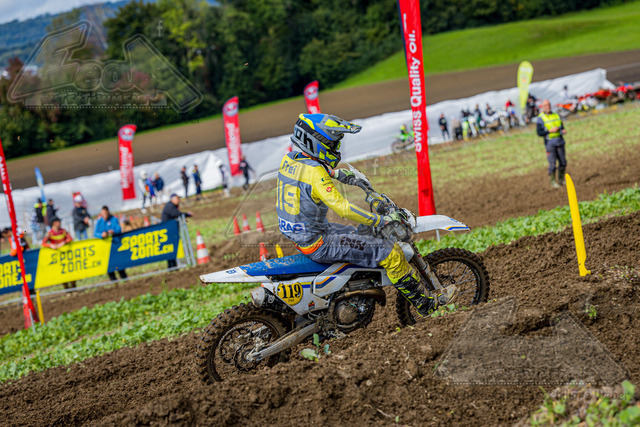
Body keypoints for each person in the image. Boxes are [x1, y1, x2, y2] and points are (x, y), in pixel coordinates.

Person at [275, 113, 457, 317]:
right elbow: (344, 209)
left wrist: (337, 174)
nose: (336, 148)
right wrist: (381, 220)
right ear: (316, 142)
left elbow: (308, 176)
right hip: (319, 241)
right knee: (392, 253)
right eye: (333, 144)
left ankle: (354, 291)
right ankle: (425, 304)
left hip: (304, 234)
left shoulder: (290, 160)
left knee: (361, 234)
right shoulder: (316, 172)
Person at [537, 99, 567, 189]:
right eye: (546, 105)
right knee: (552, 164)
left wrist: (563, 130)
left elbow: (561, 126)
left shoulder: (556, 115)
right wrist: (549, 131)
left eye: (549, 105)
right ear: (543, 107)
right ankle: (553, 182)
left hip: (560, 141)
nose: (548, 107)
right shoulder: (541, 118)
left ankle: (561, 179)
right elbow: (539, 132)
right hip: (550, 143)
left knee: (563, 162)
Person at [94, 206, 128, 281]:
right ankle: (113, 280)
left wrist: (113, 231)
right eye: (103, 213)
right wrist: (101, 235)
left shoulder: (114, 219)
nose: (105, 215)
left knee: (119, 263)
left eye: (106, 213)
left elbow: (119, 229)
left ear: (108, 212)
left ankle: (124, 278)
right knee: (109, 264)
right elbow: (95, 233)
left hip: (115, 245)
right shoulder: (99, 222)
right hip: (105, 247)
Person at [42, 217, 75, 288]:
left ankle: (74, 288)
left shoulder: (63, 231)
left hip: (67, 256)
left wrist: (64, 242)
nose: (60, 223)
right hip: (57, 258)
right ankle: (67, 289)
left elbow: (70, 238)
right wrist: (50, 245)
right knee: (61, 274)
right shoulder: (50, 233)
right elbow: (43, 243)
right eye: (58, 221)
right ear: (54, 223)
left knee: (71, 273)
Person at [161, 194, 192, 268]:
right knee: (170, 248)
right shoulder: (170, 206)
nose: (179, 200)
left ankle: (173, 265)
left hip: (170, 231)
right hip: (168, 232)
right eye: (177, 199)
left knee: (172, 248)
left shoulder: (171, 206)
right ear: (173, 199)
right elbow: (177, 214)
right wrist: (187, 214)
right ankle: (172, 266)